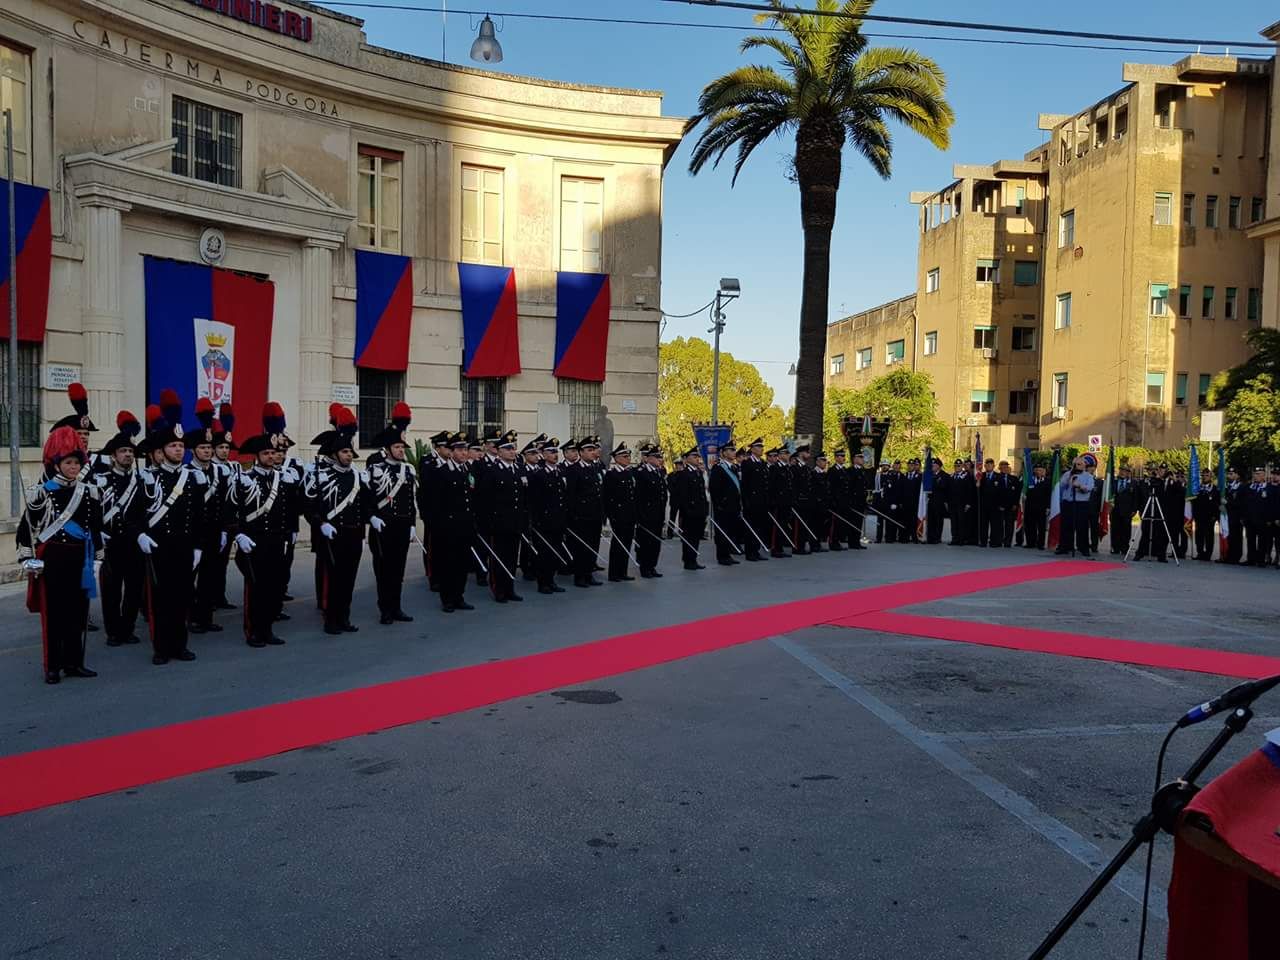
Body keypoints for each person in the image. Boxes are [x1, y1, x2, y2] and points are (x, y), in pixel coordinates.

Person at [18, 426, 103, 684]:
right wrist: (26, 559)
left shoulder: (89, 492)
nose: (74, 467)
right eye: (68, 462)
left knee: (77, 614)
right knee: (54, 615)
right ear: (57, 464)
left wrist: (98, 558)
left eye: (77, 462)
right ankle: (53, 666)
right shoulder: (41, 493)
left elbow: (95, 527)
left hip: (80, 559)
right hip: (52, 559)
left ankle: (74, 662)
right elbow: (26, 529)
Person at [132, 390, 205, 665]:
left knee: (182, 598)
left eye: (180, 446)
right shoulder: (149, 479)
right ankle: (161, 648)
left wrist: (198, 546)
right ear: (161, 451)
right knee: (160, 601)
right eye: (173, 447)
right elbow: (134, 515)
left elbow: (199, 516)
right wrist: (139, 535)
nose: (178, 450)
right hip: (159, 547)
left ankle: (180, 645)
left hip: (185, 547)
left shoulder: (194, 478)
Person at [231, 432, 297, 648]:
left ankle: (268, 630)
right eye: (265, 453)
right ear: (257, 456)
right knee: (255, 589)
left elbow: (288, 512)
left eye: (273, 452)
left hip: (276, 542)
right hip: (253, 542)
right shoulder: (244, 479)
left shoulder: (283, 479)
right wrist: (238, 534)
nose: (270, 456)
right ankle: (253, 631)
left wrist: (289, 534)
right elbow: (232, 511)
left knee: (273, 588)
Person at [93, 411, 145, 648]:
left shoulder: (140, 481)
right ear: (113, 456)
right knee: (112, 591)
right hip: (111, 543)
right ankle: (113, 631)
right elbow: (92, 511)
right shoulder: (100, 481)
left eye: (130, 452)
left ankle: (128, 628)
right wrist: (98, 531)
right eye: (123, 452)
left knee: (134, 589)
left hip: (134, 543)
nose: (127, 455)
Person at [367, 403, 417, 623]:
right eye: (397, 447)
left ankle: (396, 607)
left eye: (402, 447)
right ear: (387, 449)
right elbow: (366, 498)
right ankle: (385, 609)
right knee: (384, 570)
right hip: (383, 526)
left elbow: (411, 499)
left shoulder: (409, 469)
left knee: (398, 570)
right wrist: (372, 517)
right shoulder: (376, 469)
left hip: (402, 526)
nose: (401, 450)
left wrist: (413, 524)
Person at [187, 399, 233, 635]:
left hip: (214, 532)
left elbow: (224, 503)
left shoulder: (219, 472)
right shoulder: (186, 473)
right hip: (192, 534)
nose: (207, 451)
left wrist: (225, 530)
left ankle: (205, 617)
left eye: (209, 448)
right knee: (188, 578)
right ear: (194, 450)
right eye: (203, 448)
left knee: (210, 576)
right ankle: (191, 616)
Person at [475, 430, 525, 602]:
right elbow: (485, 499)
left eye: (514, 448)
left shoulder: (518, 469)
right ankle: (498, 589)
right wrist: (489, 522)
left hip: (515, 521)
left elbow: (522, 497)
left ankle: (510, 588)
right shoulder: (492, 471)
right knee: (498, 558)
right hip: (499, 522)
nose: (513, 451)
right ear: (500, 451)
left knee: (511, 557)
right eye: (508, 448)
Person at [429, 433, 478, 611]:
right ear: (450, 452)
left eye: (465, 449)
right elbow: (435, 503)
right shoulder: (441, 473)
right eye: (459, 449)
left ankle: (459, 596)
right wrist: (439, 527)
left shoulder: (468, 471)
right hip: (448, 527)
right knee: (448, 564)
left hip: (465, 525)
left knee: (462, 564)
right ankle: (447, 599)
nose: (464, 453)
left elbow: (471, 499)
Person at [527, 438, 569, 593]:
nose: (555, 454)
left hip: (558, 520)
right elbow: (533, 500)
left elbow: (562, 498)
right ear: (543, 455)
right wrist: (534, 522)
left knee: (555, 552)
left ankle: (551, 580)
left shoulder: (559, 472)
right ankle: (543, 582)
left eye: (556, 451)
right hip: (543, 522)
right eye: (551, 452)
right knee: (544, 553)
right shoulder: (538, 474)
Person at [565, 436, 604, 588]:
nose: (593, 452)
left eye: (594, 449)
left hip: (595, 515)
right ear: (581, 452)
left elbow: (600, 493)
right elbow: (571, 495)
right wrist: (572, 516)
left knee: (593, 546)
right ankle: (579, 576)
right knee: (581, 547)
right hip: (581, 517)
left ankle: (589, 574)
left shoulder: (595, 468)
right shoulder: (573, 470)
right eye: (589, 450)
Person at [603, 441, 638, 582]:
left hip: (629, 515)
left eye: (628, 456)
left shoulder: (629, 473)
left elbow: (632, 496)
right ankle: (614, 573)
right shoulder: (611, 475)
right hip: (618, 516)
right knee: (618, 544)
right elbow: (607, 497)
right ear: (616, 459)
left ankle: (623, 571)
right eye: (624, 456)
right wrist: (611, 516)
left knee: (627, 543)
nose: (627, 458)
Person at [668, 447, 707, 570]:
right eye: (694, 457)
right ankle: (688, 561)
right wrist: (687, 511)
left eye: (697, 457)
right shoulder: (683, 474)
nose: (697, 459)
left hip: (699, 511)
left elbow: (701, 494)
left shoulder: (698, 472)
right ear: (686, 459)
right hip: (689, 512)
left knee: (696, 537)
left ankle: (693, 559)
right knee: (689, 537)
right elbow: (682, 495)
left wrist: (704, 509)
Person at [635, 444, 668, 577]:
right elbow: (639, 496)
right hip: (646, 515)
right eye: (656, 457)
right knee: (646, 542)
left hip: (658, 514)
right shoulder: (642, 473)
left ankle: (652, 566)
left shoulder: (659, 472)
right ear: (648, 458)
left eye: (660, 457)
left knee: (655, 542)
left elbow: (662, 494)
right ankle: (645, 567)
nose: (660, 459)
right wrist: (640, 516)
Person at [709, 443, 743, 565]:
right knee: (723, 532)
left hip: (733, 506)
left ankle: (728, 554)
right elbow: (714, 489)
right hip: (723, 507)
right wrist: (720, 505)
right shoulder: (718, 468)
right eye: (731, 450)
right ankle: (722, 556)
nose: (734, 452)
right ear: (723, 452)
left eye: (734, 450)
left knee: (731, 531)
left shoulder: (733, 467)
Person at [1054, 456, 1094, 557]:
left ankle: (1083, 548)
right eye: (1075, 464)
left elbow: (1089, 488)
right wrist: (1069, 477)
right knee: (1066, 526)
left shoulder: (1088, 476)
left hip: (1081, 504)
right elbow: (1061, 486)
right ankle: (1065, 546)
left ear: (1084, 465)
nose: (1077, 466)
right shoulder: (1068, 474)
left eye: (1079, 464)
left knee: (1082, 527)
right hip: (1068, 503)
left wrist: (1080, 486)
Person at [739, 439, 769, 562]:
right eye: (759, 447)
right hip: (751, 501)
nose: (761, 449)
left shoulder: (762, 463)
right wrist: (746, 501)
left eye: (762, 447)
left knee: (759, 527)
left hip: (761, 501)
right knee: (750, 527)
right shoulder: (747, 463)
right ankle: (750, 552)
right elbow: (745, 484)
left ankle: (756, 550)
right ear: (752, 449)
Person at [767, 448, 794, 557]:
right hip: (778, 502)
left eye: (788, 453)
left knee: (783, 525)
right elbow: (771, 486)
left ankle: (780, 547)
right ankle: (775, 548)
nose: (788, 455)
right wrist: (773, 501)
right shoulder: (775, 468)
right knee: (777, 526)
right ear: (780, 455)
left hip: (786, 502)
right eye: (785, 453)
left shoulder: (787, 468)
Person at [1192, 468, 1220, 561]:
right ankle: (1200, 553)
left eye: (1206, 475)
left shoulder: (1215, 489)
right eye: (1203, 476)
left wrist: (1215, 516)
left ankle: (1208, 554)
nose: (1204, 477)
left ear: (1211, 477)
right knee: (1199, 536)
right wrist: (1194, 515)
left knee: (1209, 536)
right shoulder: (1197, 489)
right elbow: (1194, 503)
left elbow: (1217, 504)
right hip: (1199, 516)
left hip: (1210, 517)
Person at [1109, 466, 1138, 555]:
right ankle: (1115, 547)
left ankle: (1124, 547)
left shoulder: (1133, 483)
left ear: (1128, 473)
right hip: (1115, 510)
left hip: (1127, 510)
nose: (1122, 472)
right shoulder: (1113, 482)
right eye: (1121, 470)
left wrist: (1134, 509)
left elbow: (1135, 498)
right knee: (1115, 529)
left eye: (1125, 471)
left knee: (1126, 530)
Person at [1220, 466, 1246, 564]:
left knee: (1237, 537)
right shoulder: (1227, 487)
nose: (1229, 476)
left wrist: (1228, 502)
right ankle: (1229, 555)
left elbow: (1242, 503)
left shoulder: (1241, 487)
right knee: (1229, 537)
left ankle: (1236, 556)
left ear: (1237, 475)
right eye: (1228, 474)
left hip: (1237, 516)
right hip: (1227, 516)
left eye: (1232, 474)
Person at [948, 459, 976, 545]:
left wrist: (968, 503)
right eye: (956, 466)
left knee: (961, 522)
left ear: (962, 467)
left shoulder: (966, 476)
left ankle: (961, 540)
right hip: (953, 503)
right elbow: (948, 491)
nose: (957, 467)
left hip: (962, 504)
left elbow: (969, 490)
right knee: (954, 522)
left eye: (959, 466)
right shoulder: (952, 476)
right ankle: (954, 539)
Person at [925, 457, 949, 544]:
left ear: (939, 466)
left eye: (934, 465)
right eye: (932, 465)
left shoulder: (945, 476)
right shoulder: (929, 475)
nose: (932, 467)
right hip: (930, 501)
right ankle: (930, 537)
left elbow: (944, 488)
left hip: (939, 502)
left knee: (938, 520)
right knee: (930, 520)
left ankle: (937, 537)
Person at [900, 458, 923, 544]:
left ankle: (914, 537)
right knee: (906, 520)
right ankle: (905, 537)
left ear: (915, 466)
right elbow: (901, 490)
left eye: (912, 465)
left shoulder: (920, 476)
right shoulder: (904, 476)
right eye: (909, 465)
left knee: (914, 520)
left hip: (915, 502)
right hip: (906, 503)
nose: (910, 466)